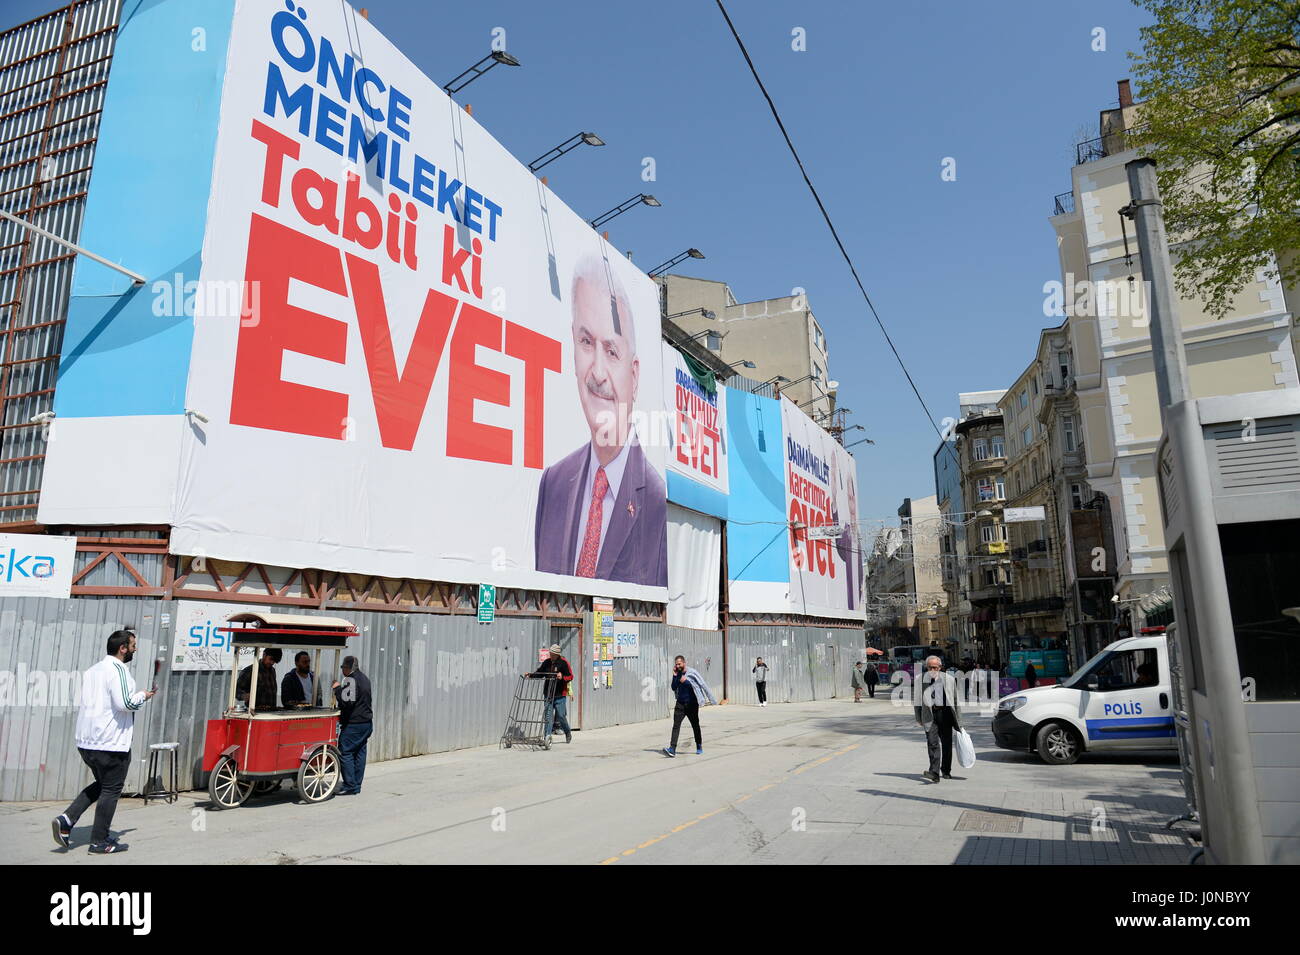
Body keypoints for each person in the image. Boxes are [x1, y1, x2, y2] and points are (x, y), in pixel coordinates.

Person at [534, 257, 667, 586]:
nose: (596, 372)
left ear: (633, 376)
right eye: (585, 342)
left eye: (611, 351)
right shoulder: (552, 482)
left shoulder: (656, 498)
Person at [52, 628, 155, 854]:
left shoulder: (93, 670)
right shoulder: (118, 670)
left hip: (87, 742)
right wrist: (143, 696)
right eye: (133, 646)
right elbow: (125, 703)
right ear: (123, 648)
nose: (135, 650)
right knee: (111, 790)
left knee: (103, 785)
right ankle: (99, 842)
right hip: (110, 744)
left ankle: (67, 820)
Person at [915, 655, 962, 782]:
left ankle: (946, 770)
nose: (932, 670)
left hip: (946, 715)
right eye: (930, 667)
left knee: (946, 744)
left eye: (935, 667)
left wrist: (959, 720)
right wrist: (918, 717)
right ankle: (934, 772)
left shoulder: (950, 680)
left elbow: (956, 701)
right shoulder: (920, 680)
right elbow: (917, 700)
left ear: (940, 667)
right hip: (930, 716)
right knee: (932, 743)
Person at [332, 656, 373, 795]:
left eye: (343, 667)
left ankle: (350, 785)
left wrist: (337, 689)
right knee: (360, 752)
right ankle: (356, 785)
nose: (343, 670)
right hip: (366, 723)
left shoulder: (350, 680)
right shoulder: (364, 678)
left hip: (355, 724)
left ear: (348, 668)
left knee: (346, 751)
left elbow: (346, 702)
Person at [662, 655, 716, 757]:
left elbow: (702, 684)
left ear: (684, 663)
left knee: (695, 725)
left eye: (679, 664)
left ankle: (699, 745)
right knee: (676, 726)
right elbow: (674, 687)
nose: (678, 666)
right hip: (680, 704)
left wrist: (712, 699)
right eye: (676, 664)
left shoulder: (692, 672)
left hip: (692, 704)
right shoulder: (677, 673)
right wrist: (674, 676)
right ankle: (672, 749)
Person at [528, 643, 574, 743]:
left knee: (561, 716)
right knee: (548, 716)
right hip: (548, 693)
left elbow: (570, 676)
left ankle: (567, 732)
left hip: (559, 694)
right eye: (550, 653)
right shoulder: (547, 662)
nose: (551, 655)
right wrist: (531, 675)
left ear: (557, 654)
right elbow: (540, 673)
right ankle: (547, 737)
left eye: (552, 654)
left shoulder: (563, 663)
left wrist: (562, 677)